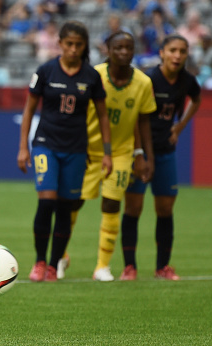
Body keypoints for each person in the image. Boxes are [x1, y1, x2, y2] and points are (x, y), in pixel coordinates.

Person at [57, 31, 157, 281]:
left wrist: (143, 155)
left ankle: (102, 266)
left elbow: (143, 121)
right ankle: (61, 256)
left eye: (129, 48)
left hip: (122, 151)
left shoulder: (143, 83)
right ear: (108, 50)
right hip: (87, 150)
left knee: (111, 203)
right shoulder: (94, 75)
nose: (124, 52)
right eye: (118, 48)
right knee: (74, 203)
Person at [17, 20, 112, 282]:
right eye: (68, 44)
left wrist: (106, 152)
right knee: (47, 202)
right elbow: (29, 109)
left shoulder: (91, 76)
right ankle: (38, 261)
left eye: (78, 45)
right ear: (59, 44)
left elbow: (103, 116)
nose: (73, 49)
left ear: (84, 47)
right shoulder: (46, 71)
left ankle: (53, 264)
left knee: (65, 207)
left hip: (76, 150)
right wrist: (23, 147)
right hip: (46, 145)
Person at [121, 34, 202, 280]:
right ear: (162, 53)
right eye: (173, 50)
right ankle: (130, 267)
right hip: (141, 152)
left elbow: (197, 99)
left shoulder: (187, 81)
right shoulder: (147, 79)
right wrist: (137, 153)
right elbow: (134, 116)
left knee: (165, 209)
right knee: (133, 207)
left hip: (165, 151)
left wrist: (180, 126)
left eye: (182, 51)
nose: (177, 56)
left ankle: (162, 267)